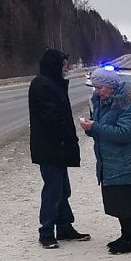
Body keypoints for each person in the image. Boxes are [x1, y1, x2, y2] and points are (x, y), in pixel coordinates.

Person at [79, 68, 131, 254]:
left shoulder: (125, 105)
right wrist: (90, 128)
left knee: (127, 203)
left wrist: (96, 126)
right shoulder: (102, 103)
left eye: (100, 87)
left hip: (125, 163)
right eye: (95, 87)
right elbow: (102, 132)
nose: (97, 91)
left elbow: (126, 133)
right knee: (118, 202)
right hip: (111, 162)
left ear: (111, 87)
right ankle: (126, 236)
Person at [28, 48, 90, 249]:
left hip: (58, 146)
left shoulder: (53, 83)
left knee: (63, 189)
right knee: (53, 191)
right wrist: (66, 136)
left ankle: (64, 227)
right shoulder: (43, 85)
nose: (67, 67)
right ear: (55, 65)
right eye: (64, 63)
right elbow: (52, 117)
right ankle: (46, 232)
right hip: (50, 147)